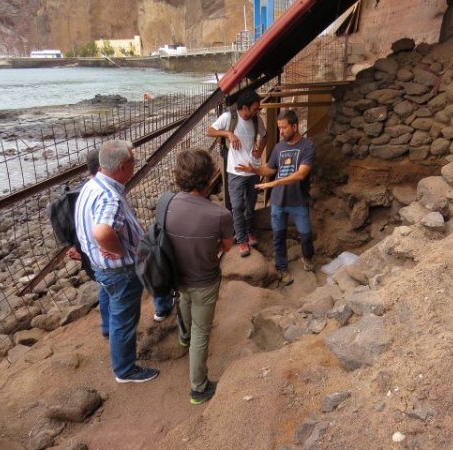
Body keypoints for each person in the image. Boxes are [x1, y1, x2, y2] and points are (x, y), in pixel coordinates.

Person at [75, 140, 159, 383]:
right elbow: (102, 231)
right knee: (125, 316)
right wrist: (120, 250)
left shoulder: (92, 185)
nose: (135, 165)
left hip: (100, 265)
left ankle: (108, 331)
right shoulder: (109, 196)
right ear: (122, 167)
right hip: (119, 270)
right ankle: (125, 370)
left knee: (110, 299)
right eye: (133, 161)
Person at [165, 149, 233, 404]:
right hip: (205, 279)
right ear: (209, 177)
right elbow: (226, 247)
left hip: (177, 275)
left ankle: (183, 337)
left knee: (183, 299)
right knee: (201, 333)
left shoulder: (167, 203)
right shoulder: (219, 215)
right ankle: (198, 388)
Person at [235, 110, 315, 286]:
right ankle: (282, 268)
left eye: (284, 128)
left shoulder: (307, 146)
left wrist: (273, 184)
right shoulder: (279, 147)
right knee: (278, 237)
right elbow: (271, 169)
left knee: (306, 234)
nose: (281, 132)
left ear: (295, 126)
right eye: (279, 128)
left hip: (298, 201)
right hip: (278, 202)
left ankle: (308, 258)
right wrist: (254, 170)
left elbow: (301, 175)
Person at [207, 89, 267, 257]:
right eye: (255, 108)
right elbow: (209, 131)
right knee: (237, 206)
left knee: (250, 205)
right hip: (235, 172)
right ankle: (241, 240)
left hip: (252, 170)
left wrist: (259, 150)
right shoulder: (229, 118)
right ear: (245, 107)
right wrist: (228, 133)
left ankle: (249, 232)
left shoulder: (257, 121)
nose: (258, 111)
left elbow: (265, 135)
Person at [65, 150, 112, 338]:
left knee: (104, 286)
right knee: (110, 286)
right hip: (100, 252)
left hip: (87, 249)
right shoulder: (101, 192)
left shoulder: (84, 190)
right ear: (101, 168)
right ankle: (112, 328)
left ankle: (107, 325)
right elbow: (103, 231)